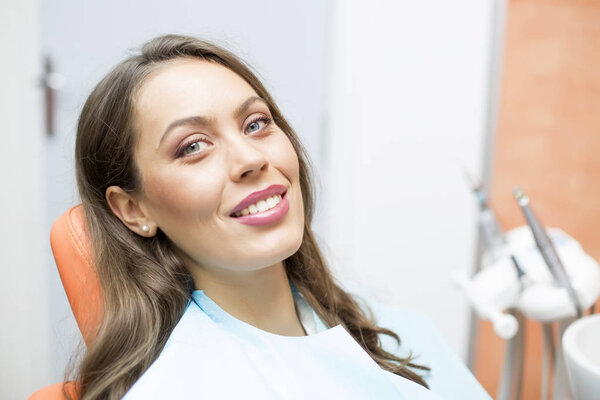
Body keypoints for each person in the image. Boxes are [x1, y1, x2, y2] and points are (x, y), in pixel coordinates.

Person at [73, 34, 491, 399]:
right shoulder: (180, 386)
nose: (250, 158)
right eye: (193, 146)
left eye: (256, 124)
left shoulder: (384, 323)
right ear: (134, 209)